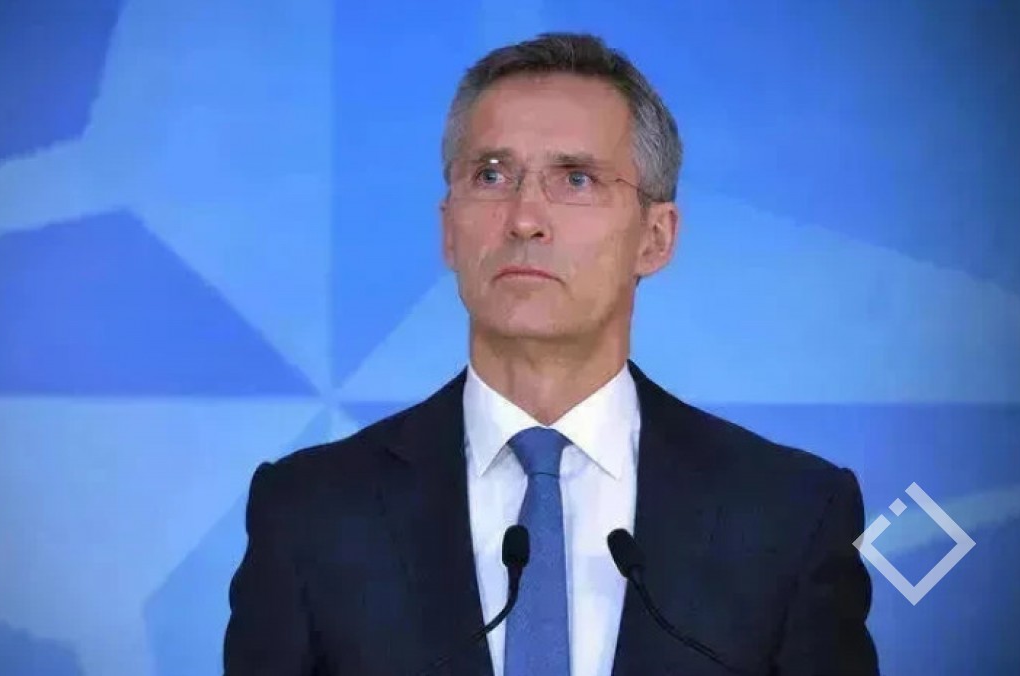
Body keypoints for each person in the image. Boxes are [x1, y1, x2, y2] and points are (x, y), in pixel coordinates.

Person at [223, 32, 879, 676]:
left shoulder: (791, 513)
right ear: (449, 230)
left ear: (655, 238)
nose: (524, 218)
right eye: (491, 175)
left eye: (576, 178)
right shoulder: (310, 511)